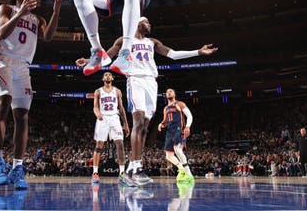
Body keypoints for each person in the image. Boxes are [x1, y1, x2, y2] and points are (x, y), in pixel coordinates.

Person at [77, 17, 217, 186]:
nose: (150, 25)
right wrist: (89, 62)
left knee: (144, 127)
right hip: (135, 80)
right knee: (138, 121)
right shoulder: (125, 40)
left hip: (152, 82)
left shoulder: (153, 42)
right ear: (138, 23)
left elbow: (172, 54)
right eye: (147, 22)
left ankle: (132, 168)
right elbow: (107, 57)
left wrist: (198, 52)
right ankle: (136, 168)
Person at [0, 0, 63, 189]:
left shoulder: (37, 19)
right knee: (2, 104)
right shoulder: (6, 8)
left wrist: (56, 11)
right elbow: (2, 32)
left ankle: (17, 168)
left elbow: (47, 37)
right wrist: (20, 13)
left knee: (22, 116)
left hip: (23, 67)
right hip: (3, 59)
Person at [91, 72, 130, 184]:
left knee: (120, 144)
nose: (107, 76)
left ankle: (122, 173)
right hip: (102, 118)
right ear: (103, 78)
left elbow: (121, 108)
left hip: (114, 118)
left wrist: (126, 124)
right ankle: (95, 173)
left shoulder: (117, 91)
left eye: (109, 74)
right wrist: (97, 113)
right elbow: (95, 107)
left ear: (112, 78)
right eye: (105, 75)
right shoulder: (98, 91)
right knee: (99, 146)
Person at [157, 88, 194, 183]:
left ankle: (189, 175)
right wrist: (161, 124)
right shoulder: (165, 108)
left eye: (171, 91)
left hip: (178, 129)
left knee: (178, 150)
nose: (168, 92)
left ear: (174, 94)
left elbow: (189, 116)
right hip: (169, 131)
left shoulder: (179, 104)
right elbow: (165, 122)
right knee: (168, 156)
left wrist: (188, 126)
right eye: (167, 92)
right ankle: (181, 169)